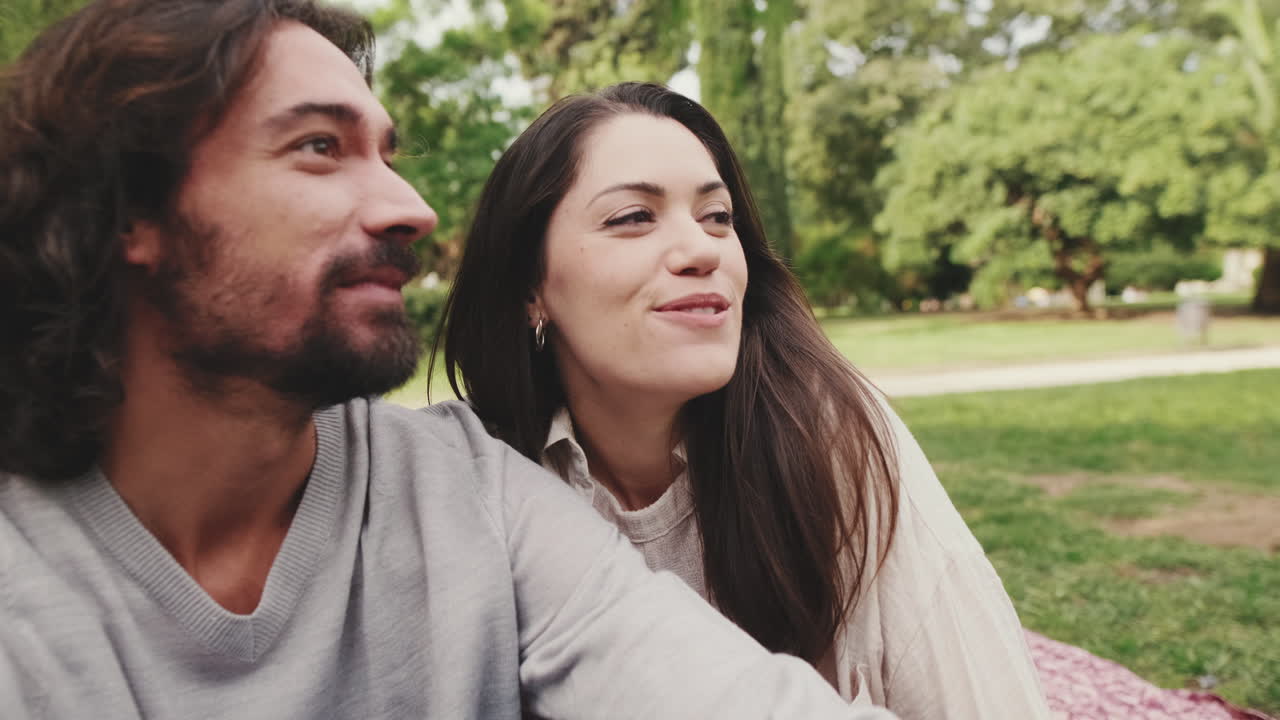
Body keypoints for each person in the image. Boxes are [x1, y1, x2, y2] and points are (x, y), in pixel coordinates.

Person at [0, 3, 900, 719]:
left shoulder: (466, 488)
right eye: (320, 147)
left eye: (387, 154)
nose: (412, 207)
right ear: (126, 214)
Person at [436, 82, 1052, 719]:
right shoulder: (481, 480)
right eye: (633, 217)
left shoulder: (827, 436)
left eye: (717, 217)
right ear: (530, 285)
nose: (703, 249)